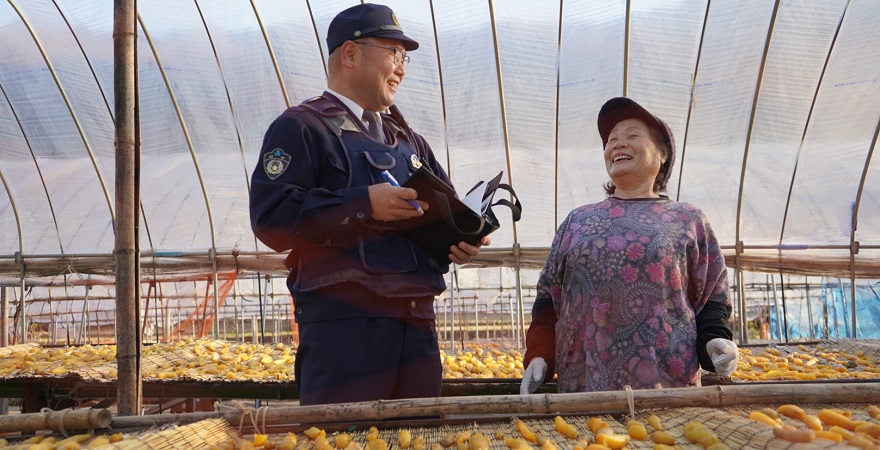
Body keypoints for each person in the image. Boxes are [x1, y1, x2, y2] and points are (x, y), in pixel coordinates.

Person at [249, 3, 487, 405]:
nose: (402, 67)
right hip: (345, 328)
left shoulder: (408, 140)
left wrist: (461, 239)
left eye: (404, 57)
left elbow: (444, 211)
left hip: (416, 322)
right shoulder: (302, 127)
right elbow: (270, 217)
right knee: (346, 435)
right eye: (393, 53)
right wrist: (362, 204)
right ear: (350, 54)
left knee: (419, 435)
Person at [520, 97, 738, 395]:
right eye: (611, 140)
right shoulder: (578, 221)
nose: (617, 145)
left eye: (632, 136)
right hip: (583, 386)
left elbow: (712, 294)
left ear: (662, 154)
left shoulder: (688, 219)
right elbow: (549, 299)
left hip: (666, 386)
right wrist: (539, 356)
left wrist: (715, 340)